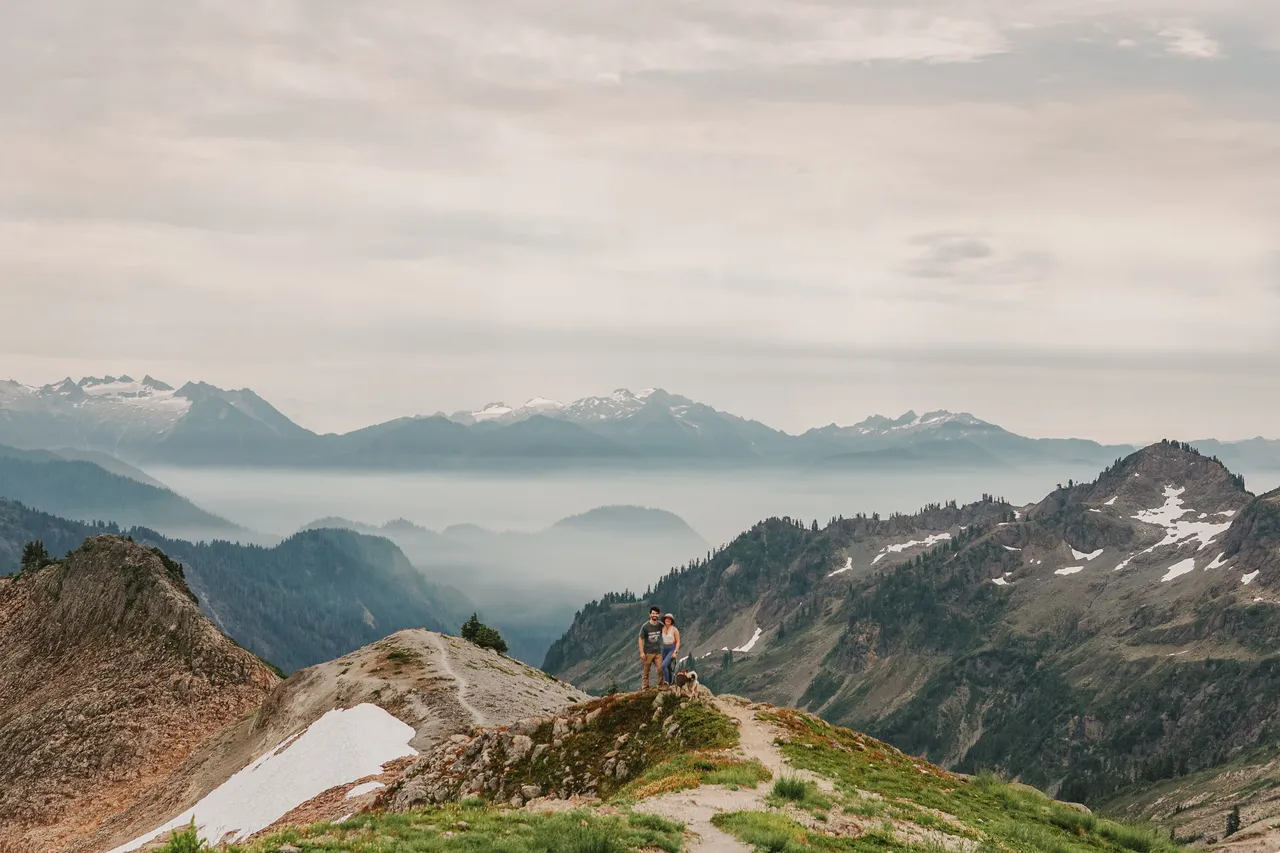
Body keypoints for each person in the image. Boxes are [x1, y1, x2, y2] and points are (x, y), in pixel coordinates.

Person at [638, 605, 665, 688]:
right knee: (646, 671)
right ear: (650, 614)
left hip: (658, 652)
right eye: (653, 613)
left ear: (658, 615)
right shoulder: (645, 626)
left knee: (661, 669)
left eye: (656, 613)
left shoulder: (661, 625)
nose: (654, 615)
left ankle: (660, 685)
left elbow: (667, 632)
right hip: (648, 652)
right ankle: (645, 688)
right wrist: (641, 652)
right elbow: (640, 638)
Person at [660, 613, 681, 686]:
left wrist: (675, 651)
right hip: (664, 649)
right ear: (664, 620)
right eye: (666, 618)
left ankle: (666, 682)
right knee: (668, 667)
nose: (668, 620)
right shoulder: (662, 628)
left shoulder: (674, 629)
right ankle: (670, 683)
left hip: (671, 648)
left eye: (669, 619)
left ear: (671, 621)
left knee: (663, 666)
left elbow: (678, 641)